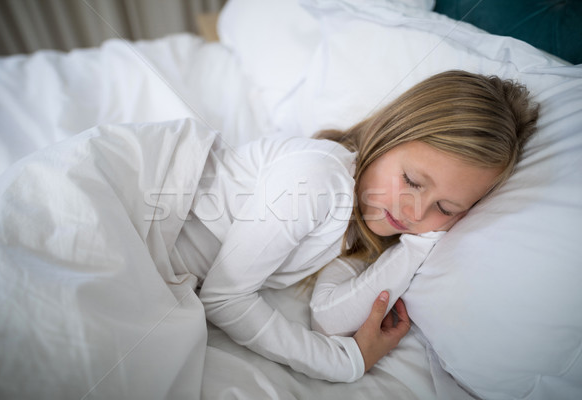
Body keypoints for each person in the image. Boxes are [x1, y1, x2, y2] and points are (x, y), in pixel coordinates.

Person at [177, 70, 539, 380]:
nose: (414, 212)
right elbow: (223, 297)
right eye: (412, 181)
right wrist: (345, 362)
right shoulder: (319, 177)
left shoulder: (365, 230)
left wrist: (422, 244)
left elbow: (330, 319)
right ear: (387, 134)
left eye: (445, 207)